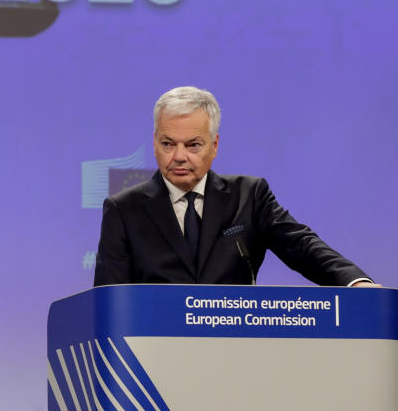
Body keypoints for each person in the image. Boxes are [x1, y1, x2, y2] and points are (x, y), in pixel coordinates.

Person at [93, 86, 378, 287]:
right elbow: (109, 301)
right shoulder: (124, 210)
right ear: (155, 142)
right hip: (151, 357)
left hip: (235, 349)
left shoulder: (249, 196)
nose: (179, 156)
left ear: (214, 145)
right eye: (168, 144)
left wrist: (354, 281)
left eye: (193, 145)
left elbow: (302, 246)